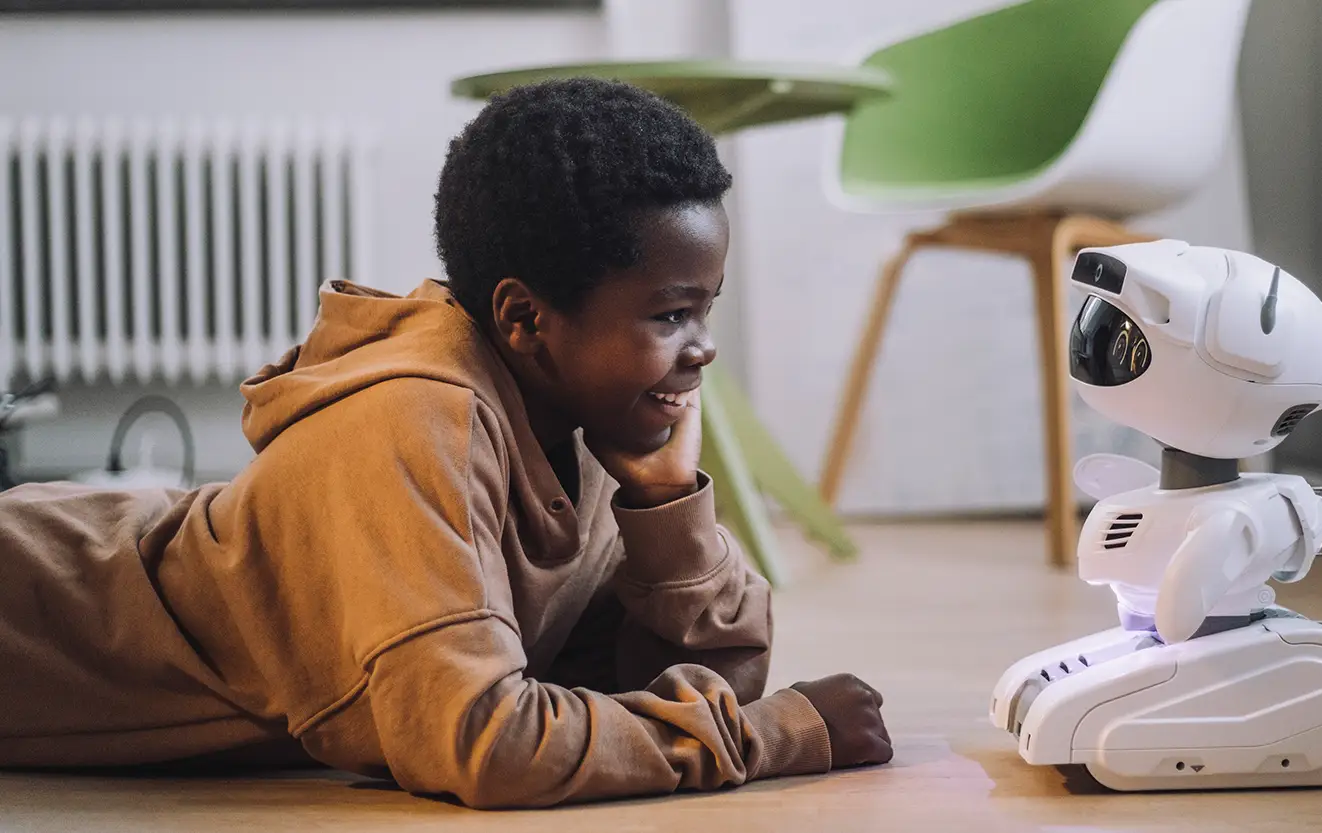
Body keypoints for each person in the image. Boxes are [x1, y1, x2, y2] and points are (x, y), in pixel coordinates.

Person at [0, 78, 892, 809]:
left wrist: (665, 504)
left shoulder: (581, 428)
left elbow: (697, 680)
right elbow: (487, 745)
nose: (701, 348)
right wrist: (783, 736)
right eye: (669, 313)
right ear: (524, 317)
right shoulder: (416, 419)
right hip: (43, 603)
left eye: (707, 307)